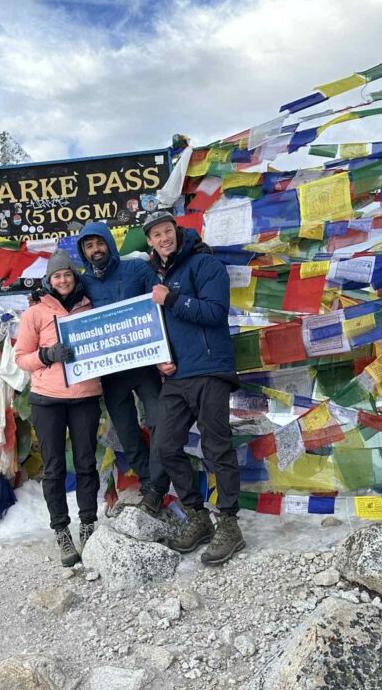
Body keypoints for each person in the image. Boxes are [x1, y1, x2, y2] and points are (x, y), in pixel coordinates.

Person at [143, 210, 245, 565]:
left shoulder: (204, 264)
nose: (163, 238)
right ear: (150, 242)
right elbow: (159, 329)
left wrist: (171, 298)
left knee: (216, 446)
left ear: (177, 231)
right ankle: (197, 515)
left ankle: (229, 523)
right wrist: (160, 358)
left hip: (210, 369)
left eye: (167, 231)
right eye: (156, 235)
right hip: (176, 375)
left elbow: (216, 313)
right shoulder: (157, 276)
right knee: (166, 445)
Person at [75, 221, 170, 515]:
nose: (95, 250)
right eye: (88, 246)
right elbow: (59, 292)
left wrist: (164, 351)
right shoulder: (81, 282)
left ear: (109, 244)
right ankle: (147, 482)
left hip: (145, 365)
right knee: (128, 432)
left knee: (159, 423)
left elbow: (159, 306)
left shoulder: (136, 270)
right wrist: (41, 291)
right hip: (111, 372)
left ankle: (158, 485)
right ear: (83, 252)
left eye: (99, 243)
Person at [15, 250, 102, 566]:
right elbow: (20, 357)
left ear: (74, 276)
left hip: (85, 397)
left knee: (85, 463)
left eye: (67, 274)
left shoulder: (89, 306)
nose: (63, 280)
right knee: (53, 468)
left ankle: (89, 525)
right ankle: (62, 531)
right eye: (57, 276)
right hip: (47, 401)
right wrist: (47, 355)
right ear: (49, 280)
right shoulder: (35, 313)